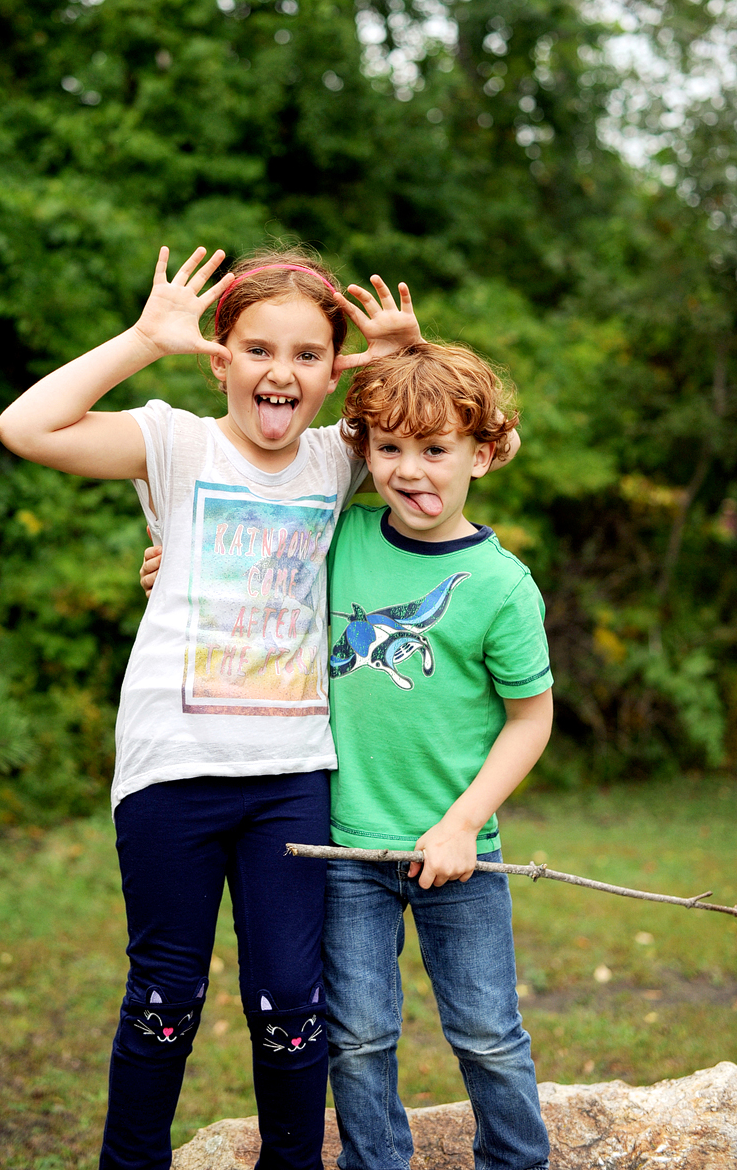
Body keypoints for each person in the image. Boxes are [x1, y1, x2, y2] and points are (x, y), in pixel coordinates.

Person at [0, 243, 425, 1170]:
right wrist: (146, 340)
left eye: (308, 355)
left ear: (331, 373)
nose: (282, 370)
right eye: (258, 349)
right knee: (165, 995)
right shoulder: (174, 441)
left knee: (290, 1001)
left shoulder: (336, 460)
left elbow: (444, 452)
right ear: (221, 356)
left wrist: (404, 360)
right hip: (171, 770)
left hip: (290, 779)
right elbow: (26, 428)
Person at [323, 342, 553, 1170]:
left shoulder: (500, 585)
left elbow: (531, 720)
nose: (409, 470)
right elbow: (259, 563)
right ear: (364, 452)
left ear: (482, 455)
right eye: (389, 449)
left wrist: (463, 823)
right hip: (348, 847)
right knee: (355, 1038)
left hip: (464, 854)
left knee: (489, 1034)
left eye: (435, 449)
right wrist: (174, 571)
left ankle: (516, 1163)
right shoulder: (340, 537)